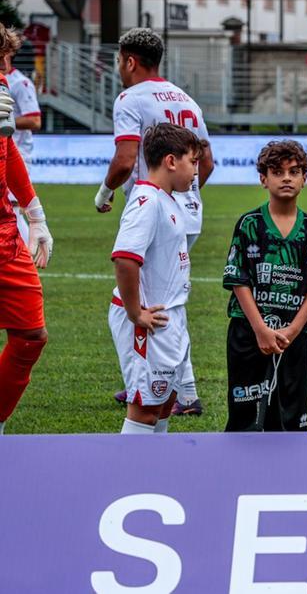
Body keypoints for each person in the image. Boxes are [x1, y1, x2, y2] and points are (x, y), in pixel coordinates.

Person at [97, 27, 215, 416]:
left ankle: (146, 385)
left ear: (129, 61)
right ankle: (180, 390)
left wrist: (105, 192)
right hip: (188, 211)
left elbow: (126, 160)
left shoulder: (130, 98)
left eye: (119, 61)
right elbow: (206, 162)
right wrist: (186, 195)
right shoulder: (187, 99)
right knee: (168, 301)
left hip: (153, 208)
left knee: (133, 305)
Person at [223, 140, 307, 432]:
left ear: (304, 179)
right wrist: (260, 329)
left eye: (294, 171)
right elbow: (239, 280)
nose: (287, 177)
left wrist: (293, 330)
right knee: (245, 418)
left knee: (290, 420)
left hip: (293, 337)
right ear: (263, 179)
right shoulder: (249, 224)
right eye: (277, 171)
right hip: (248, 333)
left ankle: (289, 475)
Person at [108, 124, 202, 435]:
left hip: (171, 316)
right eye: (194, 162)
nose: (196, 171)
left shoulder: (167, 198)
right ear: (171, 161)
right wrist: (136, 312)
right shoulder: (146, 201)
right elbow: (125, 257)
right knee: (145, 411)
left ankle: (157, 476)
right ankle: (128, 478)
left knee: (163, 406)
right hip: (149, 320)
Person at [0, 77, 53, 436]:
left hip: (5, 234)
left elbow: (7, 148)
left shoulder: (1, 82)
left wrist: (35, 215)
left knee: (32, 335)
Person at [0, 28, 41, 242]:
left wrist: (5, 122)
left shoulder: (20, 83)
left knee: (12, 209)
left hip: (15, 153)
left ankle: (24, 254)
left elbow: (35, 120)